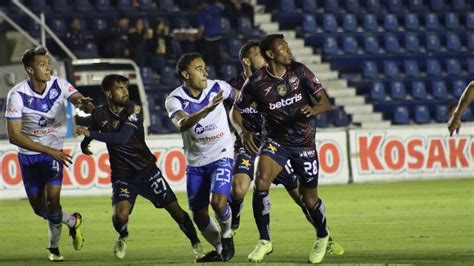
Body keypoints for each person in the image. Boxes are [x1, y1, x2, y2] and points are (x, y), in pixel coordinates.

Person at [229, 40, 344, 257]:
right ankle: (258, 237)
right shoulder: (246, 84)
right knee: (252, 184)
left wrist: (314, 109)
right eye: (258, 56)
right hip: (269, 141)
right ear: (265, 55)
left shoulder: (296, 71)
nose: (288, 50)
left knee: (306, 198)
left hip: (301, 142)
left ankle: (323, 235)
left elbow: (324, 101)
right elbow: (235, 110)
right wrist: (243, 132)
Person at [75, 74, 205, 261]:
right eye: (120, 88)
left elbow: (121, 138)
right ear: (109, 93)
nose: (125, 91)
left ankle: (196, 243)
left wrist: (90, 133)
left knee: (175, 211)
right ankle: (123, 234)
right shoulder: (99, 114)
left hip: (147, 170)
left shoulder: (133, 109)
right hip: (123, 175)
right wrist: (84, 143)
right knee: (119, 216)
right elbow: (96, 126)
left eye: (126, 87)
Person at [5, 46, 93, 261]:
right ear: (30, 70)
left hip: (54, 153)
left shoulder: (59, 84)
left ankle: (54, 248)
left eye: (48, 63)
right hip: (30, 155)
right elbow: (14, 137)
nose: (48, 68)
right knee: (39, 208)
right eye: (42, 64)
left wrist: (85, 103)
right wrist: (48, 150)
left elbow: (78, 100)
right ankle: (72, 221)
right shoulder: (17, 95)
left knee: (53, 199)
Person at [165, 53, 235, 262]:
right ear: (186, 74)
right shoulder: (174, 99)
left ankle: (228, 234)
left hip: (222, 153)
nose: (205, 72)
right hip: (195, 162)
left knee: (219, 202)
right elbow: (182, 123)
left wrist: (244, 126)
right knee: (199, 215)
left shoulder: (217, 87)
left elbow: (241, 97)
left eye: (205, 67)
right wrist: (206, 109)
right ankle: (221, 248)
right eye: (199, 69)